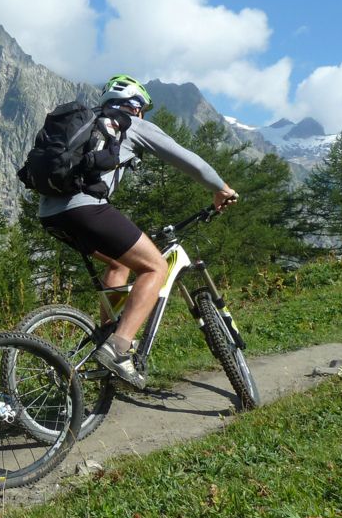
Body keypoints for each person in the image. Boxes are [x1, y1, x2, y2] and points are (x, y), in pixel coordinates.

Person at [37, 74, 237, 389]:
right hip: (87, 209)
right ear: (136, 106)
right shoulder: (131, 123)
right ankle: (119, 349)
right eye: (141, 108)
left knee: (119, 264)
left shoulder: (90, 124)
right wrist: (221, 188)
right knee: (155, 265)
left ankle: (108, 334)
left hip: (50, 214)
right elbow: (191, 163)